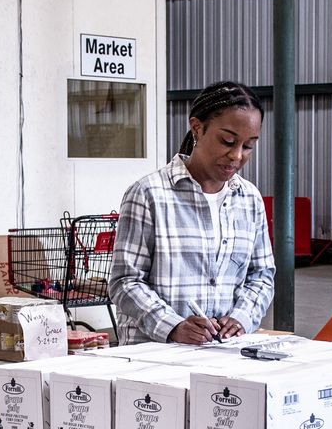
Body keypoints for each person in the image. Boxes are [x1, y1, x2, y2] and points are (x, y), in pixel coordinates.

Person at [109, 81, 277, 345]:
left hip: (223, 356)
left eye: (248, 146)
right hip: (155, 359)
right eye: (228, 141)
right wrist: (173, 326)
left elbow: (262, 275)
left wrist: (241, 318)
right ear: (197, 128)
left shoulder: (249, 199)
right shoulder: (149, 194)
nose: (236, 155)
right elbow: (125, 281)